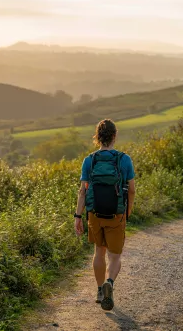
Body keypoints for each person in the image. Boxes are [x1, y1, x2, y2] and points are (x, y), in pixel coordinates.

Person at [74, 119, 136, 311]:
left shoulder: (89, 160)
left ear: (97, 137)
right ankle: (110, 282)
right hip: (116, 215)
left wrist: (78, 216)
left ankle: (100, 290)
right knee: (115, 256)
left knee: (98, 252)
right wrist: (128, 210)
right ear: (114, 136)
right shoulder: (123, 159)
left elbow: (83, 191)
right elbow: (131, 189)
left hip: (95, 214)